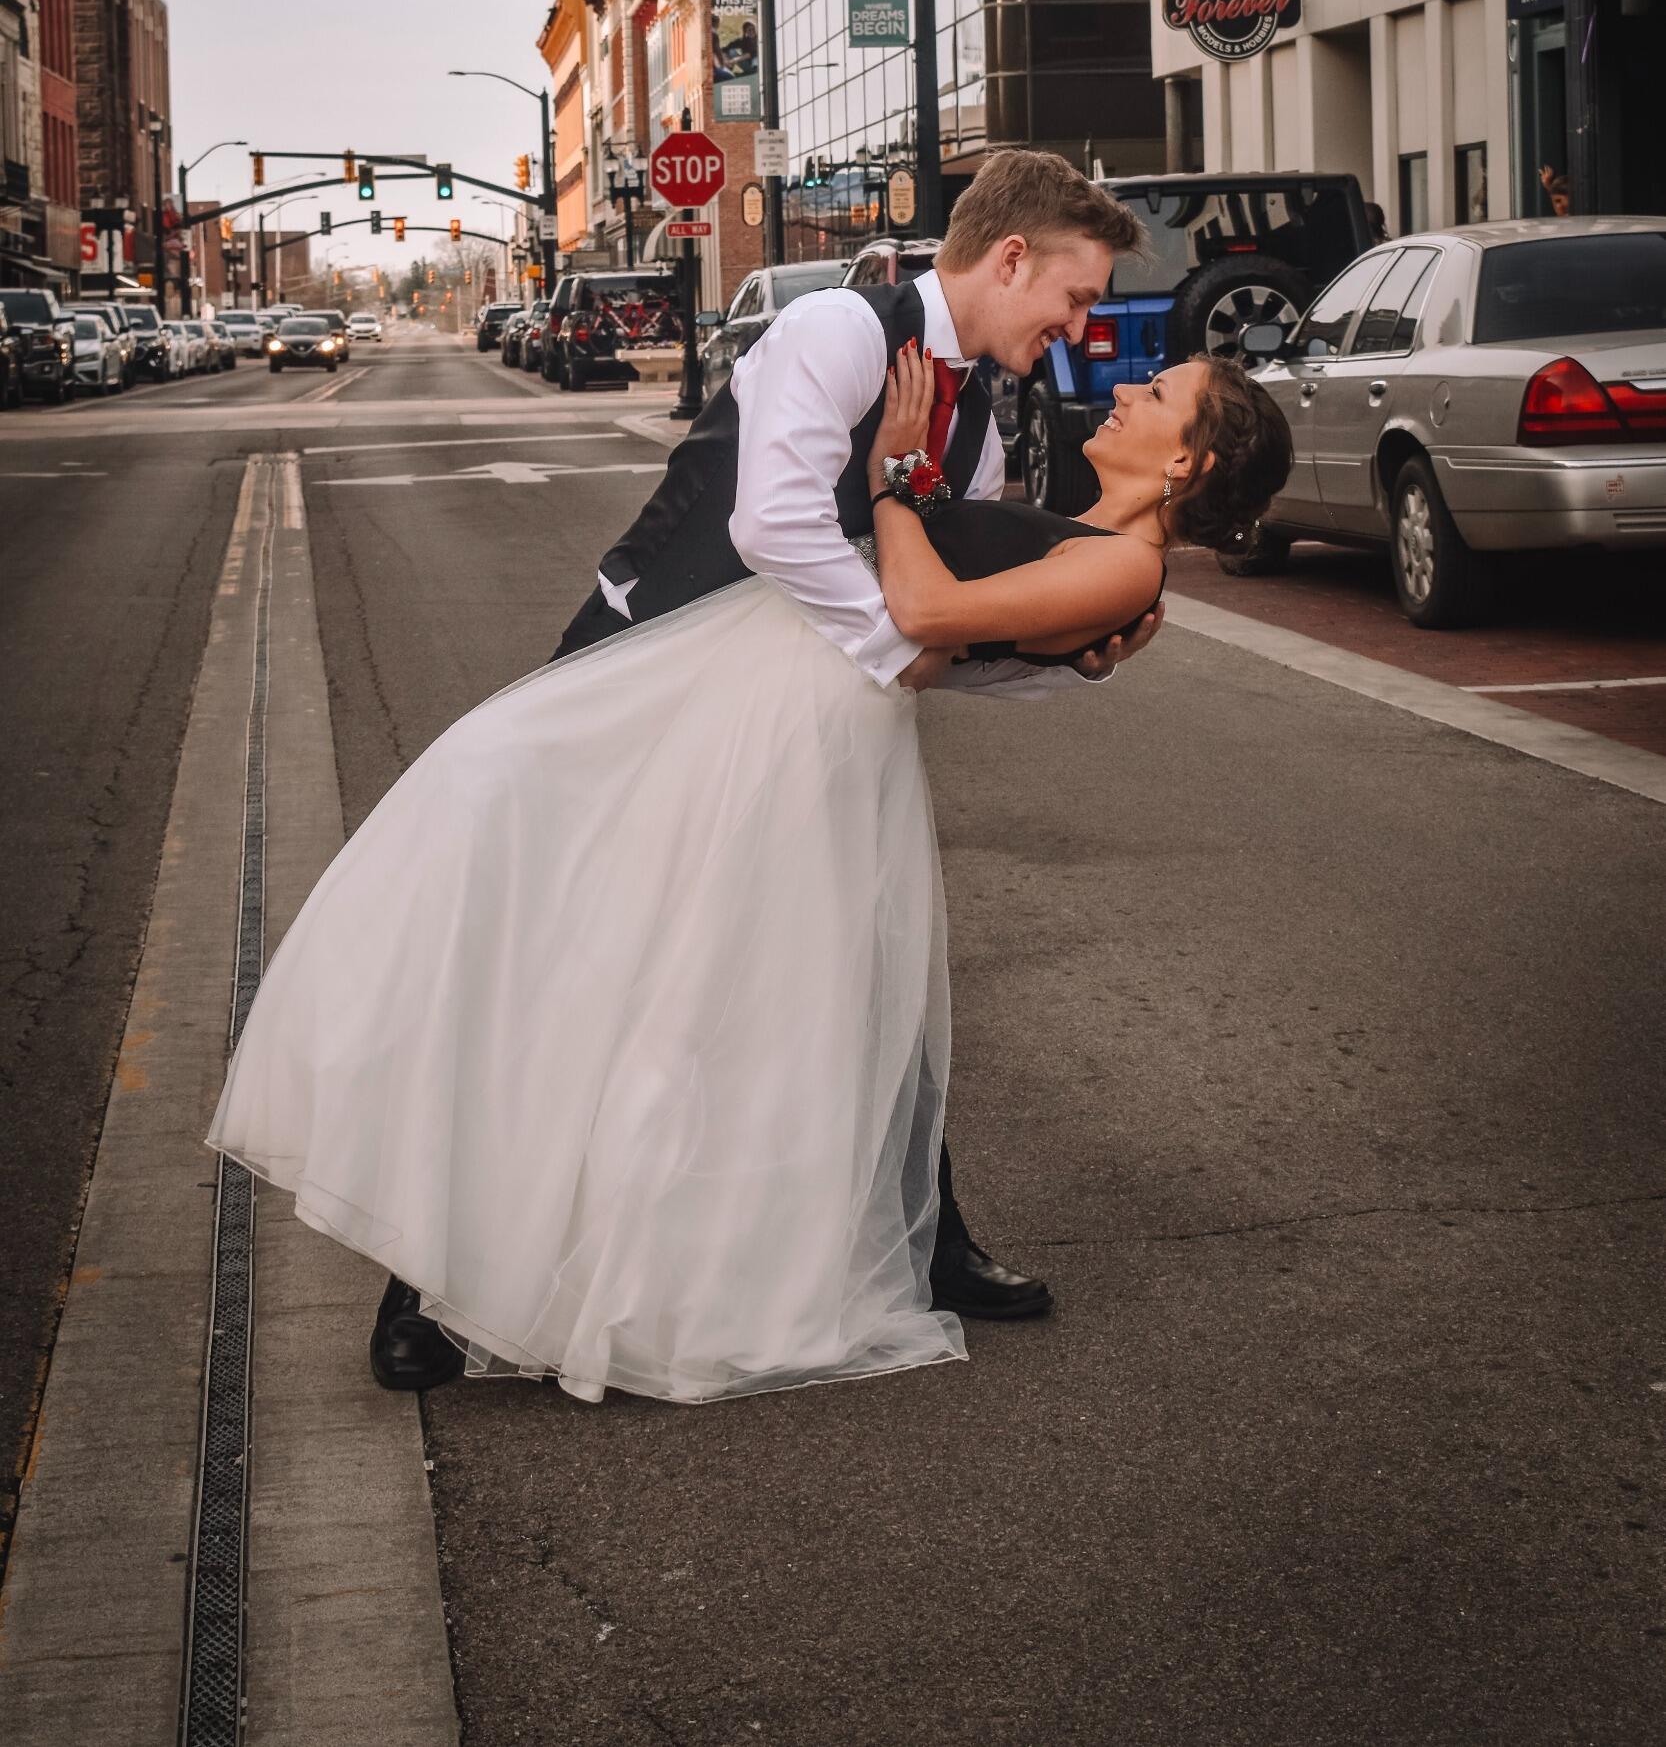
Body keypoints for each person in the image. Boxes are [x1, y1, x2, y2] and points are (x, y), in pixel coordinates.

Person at [207, 152, 1291, 1406]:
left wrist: (1047, 664)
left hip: (804, 727)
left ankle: (911, 1237)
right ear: (1011, 259)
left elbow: (950, 620)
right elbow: (775, 527)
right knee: (580, 966)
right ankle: (429, 1281)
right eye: (1075, 293)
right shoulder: (840, 331)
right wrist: (898, 640)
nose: (1081, 324)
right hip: (655, 669)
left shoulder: (991, 417)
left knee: (831, 985)